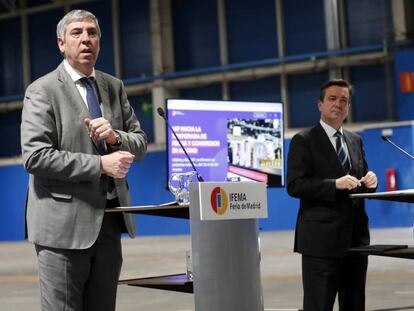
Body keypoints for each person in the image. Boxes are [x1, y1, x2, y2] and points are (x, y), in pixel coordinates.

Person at [20, 9, 147, 311]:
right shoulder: (42, 90)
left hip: (109, 223)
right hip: (62, 229)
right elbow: (36, 156)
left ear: (100, 43)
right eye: (77, 33)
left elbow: (139, 143)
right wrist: (100, 165)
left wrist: (116, 136)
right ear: (61, 44)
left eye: (92, 33)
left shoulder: (113, 86)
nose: (86, 39)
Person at [287, 79, 378, 311]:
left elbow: (359, 181)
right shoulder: (304, 140)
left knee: (355, 305)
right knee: (319, 305)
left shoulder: (355, 140)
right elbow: (295, 185)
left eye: (344, 100)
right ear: (320, 104)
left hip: (356, 242)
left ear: (348, 108)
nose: (338, 104)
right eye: (333, 98)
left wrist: (371, 181)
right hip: (321, 244)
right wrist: (333, 184)